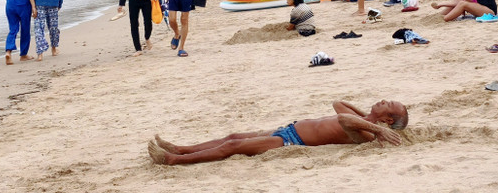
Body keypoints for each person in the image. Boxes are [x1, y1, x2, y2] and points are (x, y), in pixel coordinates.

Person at [149, 100, 407, 165]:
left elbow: (342, 117)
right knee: (233, 137)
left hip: (289, 142)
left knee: (233, 148)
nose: (382, 99)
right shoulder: (362, 120)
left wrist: (376, 128)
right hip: (288, 130)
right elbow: (338, 103)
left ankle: (174, 160)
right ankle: (181, 148)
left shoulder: (366, 133)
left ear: (386, 119)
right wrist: (369, 116)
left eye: (386, 105)